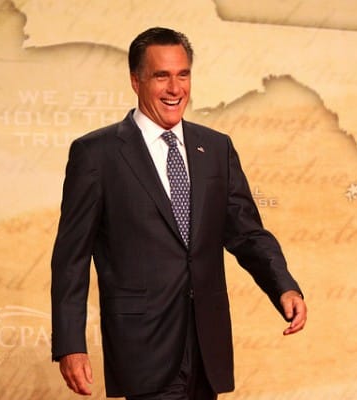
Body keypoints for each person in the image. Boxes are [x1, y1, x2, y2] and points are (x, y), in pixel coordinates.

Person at [51, 26, 307, 399]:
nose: (175, 89)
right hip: (143, 346)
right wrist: (70, 344)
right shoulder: (97, 154)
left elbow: (246, 232)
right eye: (162, 76)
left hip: (207, 345)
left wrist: (283, 285)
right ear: (136, 81)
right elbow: (71, 258)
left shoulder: (216, 148)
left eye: (183, 75)